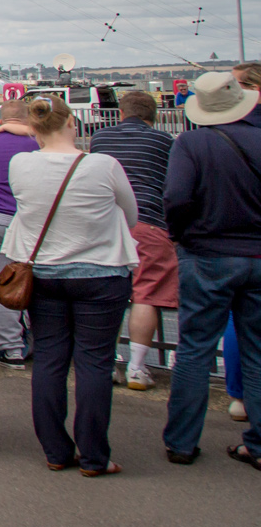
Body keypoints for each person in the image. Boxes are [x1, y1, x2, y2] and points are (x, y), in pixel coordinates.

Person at [3, 94, 137, 475]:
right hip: (101, 273)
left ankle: (55, 450)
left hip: (43, 273)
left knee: (49, 358)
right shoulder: (103, 165)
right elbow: (130, 212)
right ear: (71, 124)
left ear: (34, 128)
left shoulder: (21, 164)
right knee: (94, 363)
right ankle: (94, 455)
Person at [158, 71, 261, 467]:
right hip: (257, 254)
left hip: (206, 253)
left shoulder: (193, 143)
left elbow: (177, 196)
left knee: (195, 350)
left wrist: (181, 235)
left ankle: (182, 442)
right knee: (257, 351)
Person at [90, 90, 177, 392]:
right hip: (149, 221)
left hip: (107, 223)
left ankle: (108, 363)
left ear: (122, 113)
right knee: (146, 293)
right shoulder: (165, 142)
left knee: (108, 292)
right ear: (154, 116)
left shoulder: (100, 139)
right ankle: (138, 368)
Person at [0, 98, 39, 364]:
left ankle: (11, 349)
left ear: (1, 121)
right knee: (37, 286)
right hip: (28, 223)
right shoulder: (37, 146)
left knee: (0, 287)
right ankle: (42, 343)